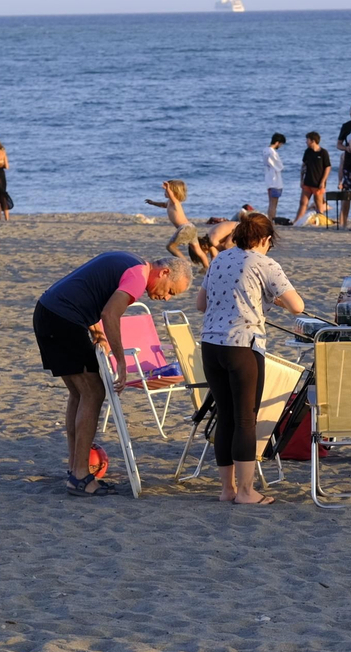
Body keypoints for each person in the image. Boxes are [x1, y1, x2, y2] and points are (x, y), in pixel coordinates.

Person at [34, 252, 191, 496]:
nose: (167, 298)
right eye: (171, 290)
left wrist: (97, 335)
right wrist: (120, 360)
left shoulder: (131, 262)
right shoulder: (138, 277)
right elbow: (109, 314)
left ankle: (75, 468)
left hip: (48, 312)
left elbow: (88, 294)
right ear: (164, 272)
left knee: (79, 393)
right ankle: (80, 476)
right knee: (94, 393)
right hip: (63, 319)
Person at [196, 212, 303, 504]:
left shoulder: (219, 259)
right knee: (246, 419)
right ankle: (245, 491)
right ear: (266, 239)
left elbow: (201, 303)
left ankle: (227, 489)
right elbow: (297, 306)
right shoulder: (265, 263)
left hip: (211, 345)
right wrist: (272, 299)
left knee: (225, 416)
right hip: (242, 345)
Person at [144, 179, 208, 265]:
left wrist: (167, 187)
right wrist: (152, 202)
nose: (165, 192)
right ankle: (206, 266)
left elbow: (171, 196)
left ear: (173, 192)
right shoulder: (170, 202)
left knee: (170, 247)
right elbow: (163, 204)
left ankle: (186, 263)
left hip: (185, 228)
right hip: (190, 227)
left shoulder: (175, 202)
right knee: (197, 250)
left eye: (167, 191)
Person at [293, 132, 330, 224]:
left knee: (318, 203)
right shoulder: (308, 152)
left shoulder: (323, 152)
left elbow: (327, 167)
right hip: (307, 181)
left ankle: (320, 221)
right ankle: (297, 221)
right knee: (303, 202)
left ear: (313, 141)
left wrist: (323, 181)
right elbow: (303, 166)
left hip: (318, 183)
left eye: (307, 140)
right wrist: (301, 179)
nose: (306, 142)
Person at [263, 133, 286, 220]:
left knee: (271, 203)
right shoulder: (272, 152)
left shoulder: (265, 150)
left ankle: (270, 219)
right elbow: (280, 166)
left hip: (269, 180)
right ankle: (271, 220)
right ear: (277, 142)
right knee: (274, 204)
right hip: (275, 181)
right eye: (280, 144)